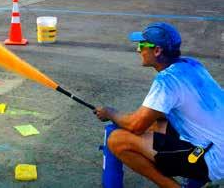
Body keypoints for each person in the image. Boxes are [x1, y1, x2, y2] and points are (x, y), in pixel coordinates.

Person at [95, 22, 223, 188]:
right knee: (157, 122)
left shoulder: (167, 81)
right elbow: (160, 114)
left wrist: (110, 112)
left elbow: (135, 126)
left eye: (142, 45)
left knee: (117, 139)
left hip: (212, 159)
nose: (138, 50)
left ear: (157, 50)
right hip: (217, 144)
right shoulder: (192, 64)